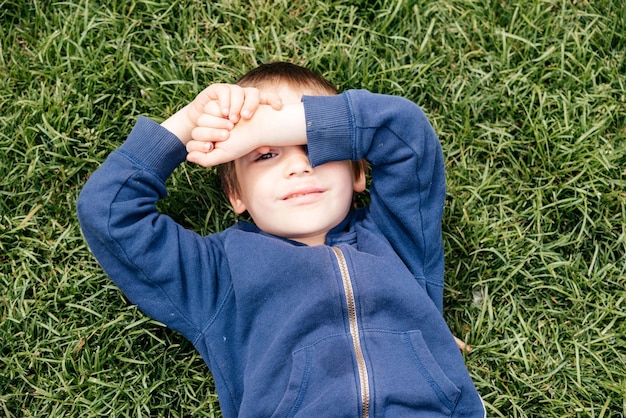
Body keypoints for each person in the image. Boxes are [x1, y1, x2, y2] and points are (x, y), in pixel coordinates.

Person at [77, 62, 485, 417]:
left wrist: (268, 126)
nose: (298, 167)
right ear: (236, 195)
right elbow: (109, 213)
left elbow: (405, 132)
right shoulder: (219, 273)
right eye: (265, 153)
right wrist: (188, 122)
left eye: (315, 147)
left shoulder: (397, 235)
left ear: (359, 172)